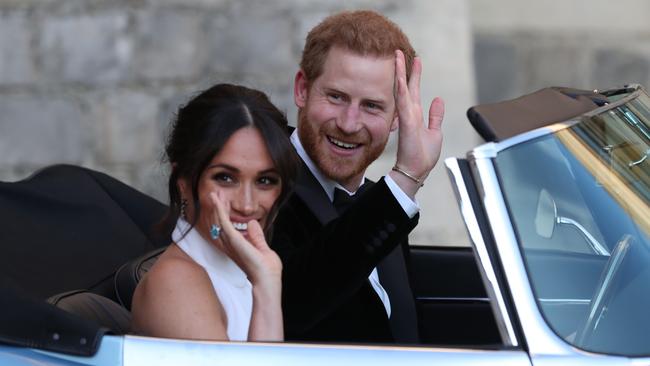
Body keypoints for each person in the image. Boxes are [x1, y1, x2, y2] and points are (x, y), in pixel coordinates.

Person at [271, 10, 445, 343]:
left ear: (397, 118)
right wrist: (406, 178)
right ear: (302, 90)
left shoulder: (379, 202)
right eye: (336, 97)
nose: (349, 124)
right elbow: (293, 306)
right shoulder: (262, 186)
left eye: (372, 106)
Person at [131, 83, 298, 341]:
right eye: (225, 178)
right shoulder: (176, 282)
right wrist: (266, 287)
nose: (247, 205)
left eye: (265, 181)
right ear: (183, 182)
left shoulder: (242, 270)